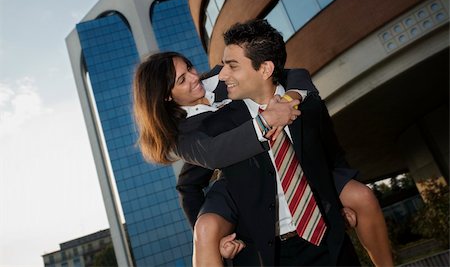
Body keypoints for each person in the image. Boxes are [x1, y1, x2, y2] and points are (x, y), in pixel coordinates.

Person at [133, 51, 393, 265]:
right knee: (207, 230)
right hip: (242, 181)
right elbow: (211, 157)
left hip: (294, 161)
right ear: (167, 95)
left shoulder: (223, 76)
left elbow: (293, 74)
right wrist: (266, 120)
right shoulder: (181, 133)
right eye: (182, 79)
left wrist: (290, 98)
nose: (193, 76)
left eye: (189, 67)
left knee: (363, 196)